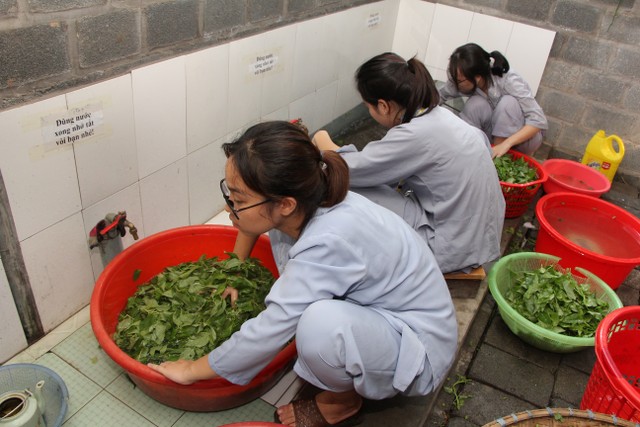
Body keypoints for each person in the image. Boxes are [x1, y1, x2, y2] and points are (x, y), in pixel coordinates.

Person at [148, 121, 458, 427]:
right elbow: (253, 219)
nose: (229, 208)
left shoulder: (328, 239)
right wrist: (233, 271)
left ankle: (341, 403)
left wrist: (192, 370)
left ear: (285, 204)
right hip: (385, 310)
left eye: (238, 200)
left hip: (418, 345)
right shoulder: (303, 202)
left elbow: (271, 328)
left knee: (317, 326)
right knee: (301, 296)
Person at [313, 52, 504, 274]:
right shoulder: (443, 116)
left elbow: (352, 171)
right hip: (481, 236)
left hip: (449, 247)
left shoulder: (414, 135)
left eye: (368, 107)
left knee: (347, 188)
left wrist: (321, 142)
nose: (370, 112)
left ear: (383, 106)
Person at [439, 43, 548, 158]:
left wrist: (505, 144)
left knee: (508, 103)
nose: (456, 84)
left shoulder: (509, 79)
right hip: (493, 134)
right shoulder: (464, 78)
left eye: (460, 81)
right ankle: (469, 151)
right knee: (476, 104)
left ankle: (497, 157)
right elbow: (439, 95)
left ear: (477, 77)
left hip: (522, 139)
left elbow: (538, 120)